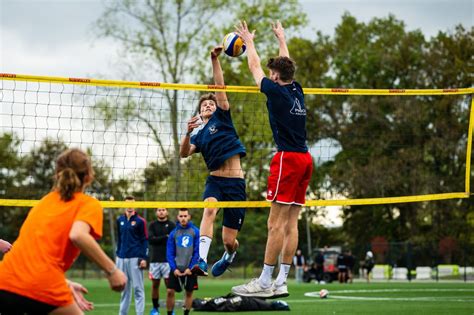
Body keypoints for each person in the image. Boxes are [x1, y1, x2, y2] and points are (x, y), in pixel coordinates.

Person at [232, 21, 313, 298]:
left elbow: (254, 68)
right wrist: (282, 38)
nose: (268, 74)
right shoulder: (296, 89)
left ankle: (265, 281)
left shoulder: (276, 92)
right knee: (291, 224)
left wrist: (249, 42)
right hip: (305, 159)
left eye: (272, 72)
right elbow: (287, 64)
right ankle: (282, 281)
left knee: (275, 224)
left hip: (288, 160)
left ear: (276, 77)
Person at [0, 148, 127, 314]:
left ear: (57, 174)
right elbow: (78, 235)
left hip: (5, 280)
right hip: (42, 284)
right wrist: (113, 271)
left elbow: (34, 256)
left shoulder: (45, 202)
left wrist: (63, 283)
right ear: (89, 176)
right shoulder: (88, 204)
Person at [180, 45, 246, 277]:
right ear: (199, 112)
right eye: (203, 105)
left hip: (236, 184)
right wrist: (187, 133)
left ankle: (229, 255)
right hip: (215, 181)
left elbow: (219, 87)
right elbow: (184, 154)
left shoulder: (223, 116)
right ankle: (202, 260)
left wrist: (214, 59)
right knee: (209, 210)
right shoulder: (198, 134)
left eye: (211, 103)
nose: (208, 105)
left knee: (229, 240)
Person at [116, 196, 148, 315]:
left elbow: (144, 240)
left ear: (135, 205)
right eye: (127, 204)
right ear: (124, 205)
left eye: (132, 204)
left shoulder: (140, 221)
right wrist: (117, 255)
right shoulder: (120, 220)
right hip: (122, 258)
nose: (130, 207)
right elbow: (119, 239)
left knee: (138, 289)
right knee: (124, 289)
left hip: (135, 258)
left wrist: (143, 258)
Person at [166, 209, 200, 315]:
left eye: (185, 216)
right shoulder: (173, 233)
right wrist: (174, 268)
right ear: (177, 217)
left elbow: (197, 252)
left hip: (190, 268)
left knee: (189, 293)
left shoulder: (195, 231)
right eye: (181, 216)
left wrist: (190, 268)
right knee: (170, 291)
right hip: (176, 267)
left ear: (189, 217)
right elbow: (169, 253)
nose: (183, 218)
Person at [148, 208, 176, 315]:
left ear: (167, 212)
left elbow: (173, 240)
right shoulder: (152, 225)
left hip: (168, 261)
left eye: (163, 210)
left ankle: (171, 310)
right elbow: (151, 240)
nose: (161, 212)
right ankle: (155, 309)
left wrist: (158, 238)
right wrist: (165, 237)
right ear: (156, 212)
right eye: (159, 210)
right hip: (155, 260)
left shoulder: (172, 225)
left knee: (170, 287)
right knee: (155, 285)